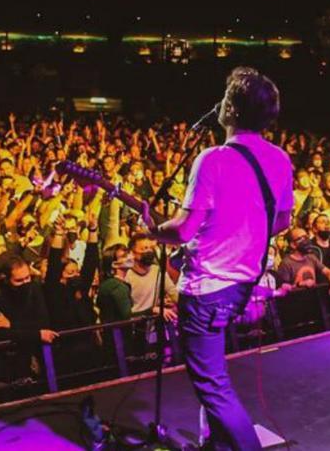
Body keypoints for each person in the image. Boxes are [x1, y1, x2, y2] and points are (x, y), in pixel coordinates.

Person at [142, 67, 294, 451]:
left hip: (207, 289)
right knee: (217, 377)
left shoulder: (212, 159)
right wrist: (237, 235)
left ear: (230, 108)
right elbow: (281, 221)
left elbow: (181, 231)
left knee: (213, 388)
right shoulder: (279, 159)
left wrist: (149, 228)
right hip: (243, 285)